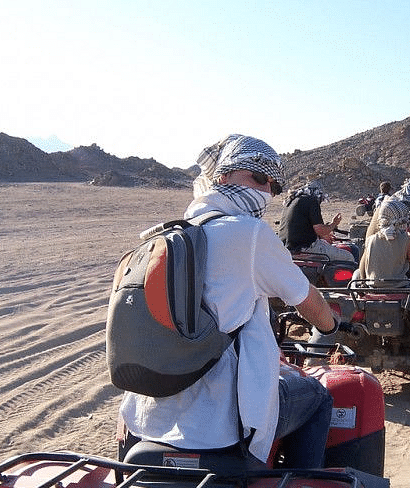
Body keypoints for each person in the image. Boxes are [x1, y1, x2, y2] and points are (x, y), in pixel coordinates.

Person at [119, 134, 341, 469]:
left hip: (147, 415)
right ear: (223, 176)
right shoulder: (248, 232)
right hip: (221, 425)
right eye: (258, 177)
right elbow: (308, 302)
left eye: (275, 186)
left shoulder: (171, 234)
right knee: (318, 397)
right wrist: (332, 324)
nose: (266, 190)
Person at [278, 181, 355, 262]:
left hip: (285, 249)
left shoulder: (290, 202)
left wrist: (322, 236)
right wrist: (333, 224)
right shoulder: (312, 200)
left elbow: (299, 227)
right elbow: (320, 229)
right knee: (348, 257)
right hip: (305, 249)